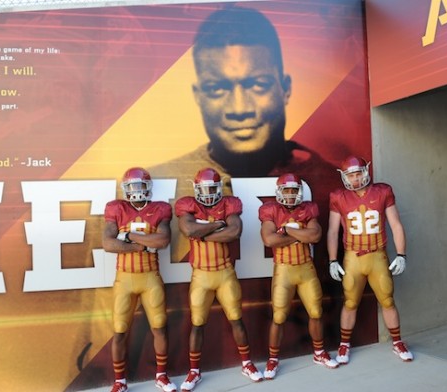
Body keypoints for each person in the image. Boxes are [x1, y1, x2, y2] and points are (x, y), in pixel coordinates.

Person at [149, 5, 339, 263]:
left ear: (285, 89)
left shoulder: (332, 184)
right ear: (199, 96)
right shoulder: (159, 183)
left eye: (258, 85)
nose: (239, 108)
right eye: (217, 88)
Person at [175, 167, 264, 391]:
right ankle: (194, 371)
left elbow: (234, 232)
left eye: (212, 188)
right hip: (201, 275)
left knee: (236, 319)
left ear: (219, 188)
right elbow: (188, 230)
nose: (207, 193)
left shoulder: (229, 204)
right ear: (195, 189)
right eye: (203, 189)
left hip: (225, 273)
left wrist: (202, 231)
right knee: (197, 324)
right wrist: (216, 224)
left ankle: (247, 363)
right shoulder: (187, 205)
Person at [327, 156, 413, 364]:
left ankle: (397, 341)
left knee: (387, 300)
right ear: (344, 177)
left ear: (365, 172)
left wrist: (401, 254)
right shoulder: (339, 197)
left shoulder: (382, 191)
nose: (355, 180)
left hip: (377, 255)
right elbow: (332, 231)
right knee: (350, 302)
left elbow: (396, 225)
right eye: (351, 176)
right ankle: (344, 344)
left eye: (358, 174)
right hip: (353, 257)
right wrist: (332, 259)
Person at [102, 167, 177, 392]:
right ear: (125, 188)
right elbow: (108, 243)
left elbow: (163, 240)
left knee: (160, 328)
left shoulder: (160, 209)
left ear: (148, 187)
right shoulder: (116, 208)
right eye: (131, 186)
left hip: (150, 277)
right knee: (119, 331)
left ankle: (161, 376)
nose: (136, 190)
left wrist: (127, 236)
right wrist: (142, 244)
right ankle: (120, 381)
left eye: (140, 185)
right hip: (124, 279)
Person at [258, 173, 339, 379]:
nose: (291, 194)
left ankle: (319, 352)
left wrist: (286, 230)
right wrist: (300, 234)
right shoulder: (271, 210)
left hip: (306, 269)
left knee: (316, 312)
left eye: (294, 190)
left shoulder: (308, 209)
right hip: (284, 269)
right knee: (278, 316)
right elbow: (269, 239)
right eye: (287, 190)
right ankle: (273, 358)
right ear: (279, 192)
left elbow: (315, 236)